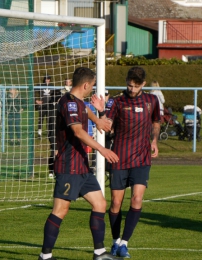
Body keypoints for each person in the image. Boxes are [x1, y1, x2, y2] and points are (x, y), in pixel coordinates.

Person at [38, 67, 121, 260]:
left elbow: (85, 109)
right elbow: (77, 132)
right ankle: (45, 256)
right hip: (68, 166)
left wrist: (98, 121)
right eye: (92, 86)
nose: (92, 89)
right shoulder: (68, 103)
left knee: (100, 204)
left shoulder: (77, 102)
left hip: (81, 166)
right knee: (60, 210)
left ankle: (99, 254)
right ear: (85, 85)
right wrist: (102, 149)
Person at [91, 66, 161, 258]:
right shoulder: (116, 100)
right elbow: (107, 126)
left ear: (143, 85)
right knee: (115, 202)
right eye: (129, 85)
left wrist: (154, 140)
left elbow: (156, 121)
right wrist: (101, 113)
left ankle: (124, 243)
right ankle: (115, 242)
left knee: (137, 199)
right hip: (119, 157)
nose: (132, 89)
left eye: (136, 86)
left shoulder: (151, 100)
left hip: (141, 158)